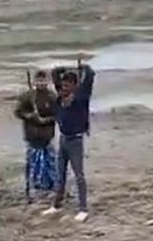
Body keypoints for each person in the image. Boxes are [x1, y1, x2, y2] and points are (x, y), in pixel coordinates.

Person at [43, 58, 95, 222]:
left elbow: (90, 75)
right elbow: (55, 73)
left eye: (67, 86)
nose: (63, 88)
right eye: (62, 85)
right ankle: (56, 205)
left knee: (79, 175)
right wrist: (66, 68)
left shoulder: (81, 98)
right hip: (63, 140)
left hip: (75, 141)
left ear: (75, 85)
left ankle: (83, 209)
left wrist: (83, 67)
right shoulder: (60, 98)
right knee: (60, 175)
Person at [14, 69, 58, 203]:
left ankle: (51, 188)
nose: (41, 83)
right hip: (32, 137)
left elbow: (58, 114)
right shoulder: (27, 96)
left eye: (43, 81)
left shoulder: (52, 96)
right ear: (34, 82)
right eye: (38, 81)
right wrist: (30, 116)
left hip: (47, 137)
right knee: (33, 166)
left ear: (48, 82)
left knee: (50, 165)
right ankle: (31, 190)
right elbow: (18, 112)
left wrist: (46, 120)